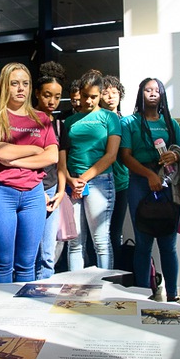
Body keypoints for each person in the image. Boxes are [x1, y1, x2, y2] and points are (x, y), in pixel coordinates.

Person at [0, 63, 58, 282]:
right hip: (1, 192)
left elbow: (52, 156)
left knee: (27, 264)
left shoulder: (42, 118)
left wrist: (10, 159)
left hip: (34, 194)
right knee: (3, 264)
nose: (21, 88)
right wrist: (34, 150)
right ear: (5, 85)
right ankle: (3, 306)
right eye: (14, 83)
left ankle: (25, 306)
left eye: (25, 83)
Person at [120, 78, 180, 301]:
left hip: (168, 183)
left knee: (168, 244)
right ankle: (143, 294)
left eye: (157, 90)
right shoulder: (129, 122)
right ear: (140, 93)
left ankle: (173, 295)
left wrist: (175, 155)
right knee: (143, 242)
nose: (152, 93)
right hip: (139, 183)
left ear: (162, 94)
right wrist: (149, 175)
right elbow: (125, 156)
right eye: (148, 90)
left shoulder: (170, 123)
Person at [61, 70, 121, 270]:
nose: (88, 101)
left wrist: (82, 179)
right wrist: (70, 179)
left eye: (93, 97)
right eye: (85, 96)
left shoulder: (110, 118)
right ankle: (75, 286)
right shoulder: (69, 121)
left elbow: (111, 155)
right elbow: (62, 156)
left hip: (99, 181)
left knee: (101, 241)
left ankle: (105, 286)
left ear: (101, 94)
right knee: (74, 241)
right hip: (72, 183)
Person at [34, 61, 68, 279]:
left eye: (57, 97)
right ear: (37, 93)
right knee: (30, 252)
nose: (52, 101)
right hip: (29, 189)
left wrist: (60, 192)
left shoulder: (59, 125)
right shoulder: (25, 122)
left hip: (52, 189)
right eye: (47, 95)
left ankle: (45, 291)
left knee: (48, 252)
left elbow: (61, 164)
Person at [101, 75, 130, 267]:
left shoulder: (127, 122)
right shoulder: (97, 121)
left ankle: (116, 272)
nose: (111, 96)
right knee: (99, 234)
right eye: (106, 92)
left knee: (115, 231)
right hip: (99, 181)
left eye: (114, 92)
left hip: (122, 183)